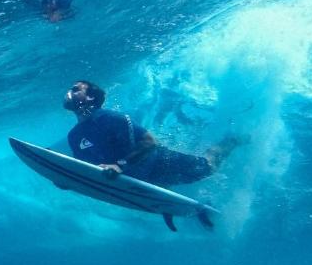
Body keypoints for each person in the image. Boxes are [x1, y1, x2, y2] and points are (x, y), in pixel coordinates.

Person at [64, 80, 243, 188]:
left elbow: (150, 142)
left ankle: (231, 141)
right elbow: (86, 168)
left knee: (208, 167)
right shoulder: (74, 136)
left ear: (90, 98)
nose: (69, 92)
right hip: (141, 176)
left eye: (75, 89)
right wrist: (66, 180)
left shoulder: (109, 118)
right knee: (162, 184)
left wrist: (120, 166)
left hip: (158, 162)